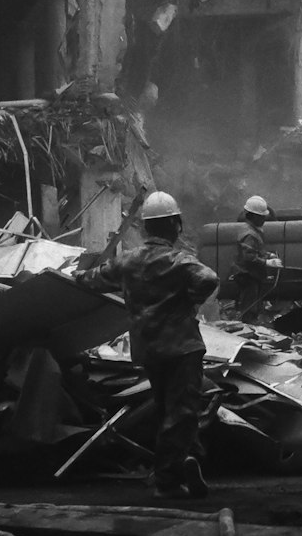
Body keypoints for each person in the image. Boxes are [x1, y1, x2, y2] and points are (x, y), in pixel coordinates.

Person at [81, 190, 218, 498]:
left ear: (144, 227)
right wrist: (190, 301)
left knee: (166, 408)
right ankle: (168, 480)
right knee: (182, 410)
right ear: (175, 225)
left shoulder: (128, 262)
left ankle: (186, 460)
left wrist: (74, 274)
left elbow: (91, 279)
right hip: (182, 346)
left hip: (150, 349)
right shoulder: (179, 260)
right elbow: (208, 279)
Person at [226, 194, 281, 320]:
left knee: (253, 304)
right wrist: (267, 263)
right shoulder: (249, 233)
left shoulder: (252, 231)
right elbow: (249, 256)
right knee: (249, 307)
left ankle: (249, 324)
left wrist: (268, 255)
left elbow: (255, 251)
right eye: (262, 216)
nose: (264, 219)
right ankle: (246, 327)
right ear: (254, 216)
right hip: (247, 275)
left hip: (250, 275)